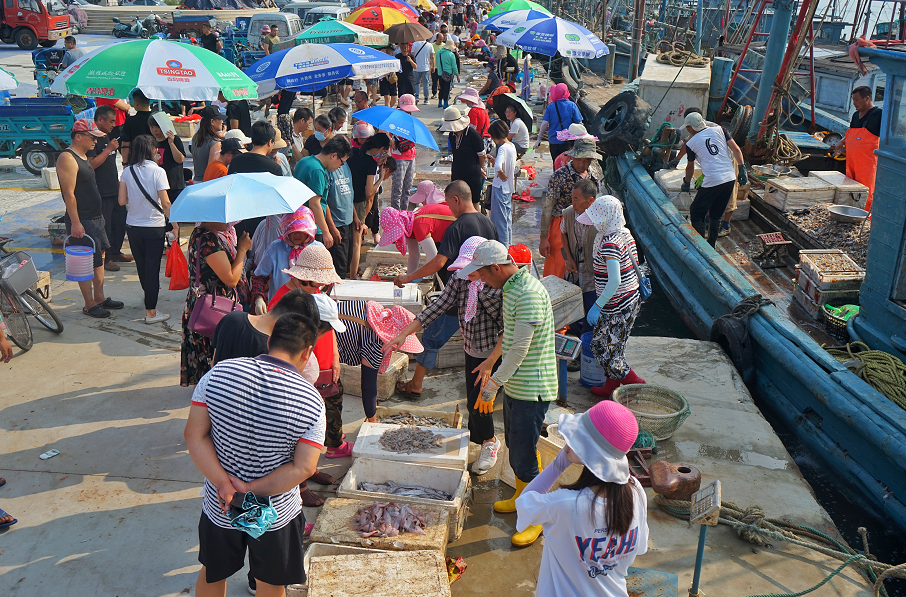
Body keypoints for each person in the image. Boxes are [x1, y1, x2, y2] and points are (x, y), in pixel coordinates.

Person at [184, 313, 324, 595]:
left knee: (212, 574)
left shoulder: (218, 374)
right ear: (307, 353)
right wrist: (250, 489)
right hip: (276, 515)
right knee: (270, 584)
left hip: (220, 505)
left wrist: (225, 484)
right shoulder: (311, 401)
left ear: (270, 340)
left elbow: (194, 435)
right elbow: (303, 468)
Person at [456, 239, 558, 546]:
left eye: (484, 275)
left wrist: (493, 384)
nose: (482, 281)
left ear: (496, 267)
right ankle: (521, 495)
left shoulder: (527, 293)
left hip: (533, 386)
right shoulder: (511, 288)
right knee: (517, 446)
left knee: (525, 453)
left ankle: (536, 519)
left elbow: (518, 350)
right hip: (518, 385)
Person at [383, 236, 504, 474]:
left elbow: (507, 329)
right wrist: (403, 334)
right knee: (473, 402)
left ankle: (490, 442)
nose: (467, 274)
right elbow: (436, 308)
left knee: (482, 403)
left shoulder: (495, 289)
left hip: (492, 354)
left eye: (472, 271)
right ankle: (481, 439)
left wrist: (491, 361)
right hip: (471, 349)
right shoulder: (460, 280)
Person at [515, 401, 649, 595]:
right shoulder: (636, 491)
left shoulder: (565, 505)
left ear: (588, 451)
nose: (567, 441)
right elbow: (640, 548)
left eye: (574, 438)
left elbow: (524, 503)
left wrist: (558, 464)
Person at [393, 181, 498, 398]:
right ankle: (488, 388)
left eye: (449, 204)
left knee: (431, 338)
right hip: (487, 294)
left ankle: (416, 385)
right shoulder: (489, 223)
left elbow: (439, 261)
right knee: (483, 344)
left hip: (460, 296)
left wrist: (409, 277)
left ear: (456, 200)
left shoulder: (457, 226)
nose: (449, 209)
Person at [579, 195, 646, 398]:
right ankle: (611, 385)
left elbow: (614, 280)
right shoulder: (624, 233)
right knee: (616, 346)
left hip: (618, 302)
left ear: (607, 218)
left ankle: (634, 383)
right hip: (629, 297)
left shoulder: (610, 243)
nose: (593, 225)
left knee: (601, 348)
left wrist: (597, 305)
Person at [56, 119, 124, 319]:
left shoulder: (83, 156)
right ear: (78, 137)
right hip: (83, 219)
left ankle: (100, 297)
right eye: (92, 137)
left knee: (100, 257)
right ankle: (88, 303)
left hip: (95, 216)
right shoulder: (67, 158)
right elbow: (69, 194)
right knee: (84, 261)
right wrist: (76, 222)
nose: (95, 141)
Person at [179, 222, 251, 387]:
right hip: (213, 309)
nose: (229, 223)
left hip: (203, 303)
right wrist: (242, 249)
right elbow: (231, 279)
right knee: (215, 357)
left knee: (209, 359)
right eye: (225, 219)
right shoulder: (208, 240)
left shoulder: (201, 233)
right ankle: (212, 396)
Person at [118, 134, 177, 324]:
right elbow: (166, 202)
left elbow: (121, 201)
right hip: (154, 227)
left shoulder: (127, 172)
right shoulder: (158, 172)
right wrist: (175, 225)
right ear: (153, 151)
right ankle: (151, 311)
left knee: (142, 267)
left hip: (133, 226)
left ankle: (148, 299)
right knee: (152, 268)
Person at [335, 300, 422, 427]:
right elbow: (368, 386)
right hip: (318, 336)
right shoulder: (376, 342)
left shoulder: (376, 313)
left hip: (314, 317)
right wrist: (372, 420)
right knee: (332, 394)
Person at [673, 107, 742, 238]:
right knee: (716, 213)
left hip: (722, 168)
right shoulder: (720, 129)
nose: (687, 130)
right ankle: (711, 244)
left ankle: (700, 245)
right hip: (729, 174)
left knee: (695, 211)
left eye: (687, 127)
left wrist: (686, 182)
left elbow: (690, 167)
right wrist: (742, 169)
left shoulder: (692, 141)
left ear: (691, 127)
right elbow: (736, 149)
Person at [541, 138, 601, 278]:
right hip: (560, 225)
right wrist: (544, 238)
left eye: (586, 160)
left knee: (585, 266)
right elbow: (548, 206)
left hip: (587, 224)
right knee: (559, 267)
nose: (582, 163)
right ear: (572, 156)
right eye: (579, 159)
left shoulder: (595, 174)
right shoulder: (559, 176)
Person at [88, 105, 130, 273]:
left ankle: (115, 251)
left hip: (114, 188)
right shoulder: (93, 140)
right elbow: (91, 165)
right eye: (111, 121)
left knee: (120, 223)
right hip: (101, 191)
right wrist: (108, 150)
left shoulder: (108, 137)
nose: (114, 124)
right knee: (105, 227)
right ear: (100, 120)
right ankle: (106, 258)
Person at [293, 135, 352, 250]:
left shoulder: (305, 161)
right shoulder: (317, 171)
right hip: (312, 227)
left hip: (299, 224)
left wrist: (331, 227)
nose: (340, 167)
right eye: (342, 163)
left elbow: (322, 202)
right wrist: (326, 232)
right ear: (333, 156)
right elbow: (315, 204)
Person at [251, 206, 319, 305]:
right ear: (286, 229)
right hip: (279, 306)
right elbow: (260, 277)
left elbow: (329, 279)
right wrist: (259, 298)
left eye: (301, 231)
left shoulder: (318, 249)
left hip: (310, 306)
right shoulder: (275, 248)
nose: (297, 234)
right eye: (292, 230)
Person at [228, 121, 285, 237]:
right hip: (262, 224)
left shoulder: (236, 161)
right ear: (270, 142)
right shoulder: (274, 168)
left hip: (238, 219)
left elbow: (230, 187)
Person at [347, 133, 390, 279]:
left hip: (346, 198)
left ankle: (349, 268)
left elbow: (358, 170)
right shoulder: (370, 163)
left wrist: (376, 165)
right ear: (382, 148)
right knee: (356, 243)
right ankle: (352, 276)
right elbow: (369, 192)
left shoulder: (354, 152)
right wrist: (381, 178)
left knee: (347, 238)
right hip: (358, 202)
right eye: (384, 151)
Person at [560, 179, 599, 337]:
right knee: (572, 316)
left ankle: (587, 349)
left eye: (576, 199)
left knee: (591, 316)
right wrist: (569, 258)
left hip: (593, 278)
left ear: (590, 201)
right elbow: (563, 232)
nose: (573, 203)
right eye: (572, 198)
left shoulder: (600, 217)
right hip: (574, 273)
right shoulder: (569, 213)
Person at [836, 85, 881, 212]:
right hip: (851, 162)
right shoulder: (855, 115)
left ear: (867, 98)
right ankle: (850, 213)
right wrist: (842, 141)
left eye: (856, 100)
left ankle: (866, 219)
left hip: (867, 165)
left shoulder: (879, 115)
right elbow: (851, 133)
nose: (854, 103)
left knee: (867, 193)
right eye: (852, 100)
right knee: (851, 191)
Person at [441, 107, 486, 209]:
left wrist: (478, 167)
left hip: (472, 174)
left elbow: (482, 156)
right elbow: (455, 154)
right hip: (457, 172)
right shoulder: (452, 135)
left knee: (473, 202)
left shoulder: (473, 135)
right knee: (457, 202)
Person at [536, 83, 583, 161]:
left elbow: (544, 124)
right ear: (566, 92)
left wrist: (539, 139)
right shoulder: (572, 105)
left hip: (554, 141)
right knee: (567, 164)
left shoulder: (550, 107)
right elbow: (579, 123)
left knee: (556, 162)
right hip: (567, 141)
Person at [325, 154, 355, 279]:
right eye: (341, 161)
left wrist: (356, 217)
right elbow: (322, 202)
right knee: (338, 266)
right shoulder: (328, 170)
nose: (342, 164)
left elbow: (349, 192)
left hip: (348, 221)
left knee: (346, 261)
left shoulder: (345, 164)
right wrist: (332, 228)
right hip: (336, 223)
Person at [388, 94, 420, 210]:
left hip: (411, 156)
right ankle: (395, 214)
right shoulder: (394, 118)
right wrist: (391, 140)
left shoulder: (411, 118)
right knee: (397, 188)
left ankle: (404, 213)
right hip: (399, 157)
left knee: (407, 188)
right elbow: (386, 131)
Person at [488, 119, 516, 246]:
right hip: (508, 188)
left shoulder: (502, 148)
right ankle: (508, 246)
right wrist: (495, 161)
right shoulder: (512, 146)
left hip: (500, 187)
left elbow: (499, 166)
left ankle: (503, 248)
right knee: (506, 220)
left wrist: (501, 173)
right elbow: (502, 163)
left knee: (499, 221)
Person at [147, 114, 186, 205]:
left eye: (157, 127)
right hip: (158, 185)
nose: (154, 130)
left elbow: (180, 159)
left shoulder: (175, 140)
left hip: (174, 184)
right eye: (152, 127)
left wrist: (171, 143)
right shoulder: (151, 142)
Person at [191, 106, 225, 183]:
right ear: (212, 122)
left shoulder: (196, 137)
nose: (222, 121)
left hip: (196, 180)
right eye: (220, 119)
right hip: (207, 183)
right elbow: (212, 170)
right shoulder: (215, 143)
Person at [120, 89, 152, 164]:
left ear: (136, 103)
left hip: (135, 158)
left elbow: (125, 144)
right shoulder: (155, 118)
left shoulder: (130, 121)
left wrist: (124, 163)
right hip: (154, 156)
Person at [411, 36, 435, 104]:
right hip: (426, 67)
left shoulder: (414, 44)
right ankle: (426, 99)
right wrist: (433, 66)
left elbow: (412, 55)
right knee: (426, 84)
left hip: (416, 68)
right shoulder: (429, 45)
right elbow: (432, 56)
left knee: (416, 83)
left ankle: (417, 96)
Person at [436, 39, 460, 109]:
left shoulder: (439, 52)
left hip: (440, 73)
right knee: (447, 88)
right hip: (448, 74)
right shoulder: (451, 54)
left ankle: (440, 102)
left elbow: (437, 62)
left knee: (441, 88)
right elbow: (454, 66)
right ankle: (445, 104)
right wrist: (457, 75)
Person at [431, 33, 447, 99]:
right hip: (434, 66)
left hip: (442, 67)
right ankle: (434, 93)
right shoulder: (432, 45)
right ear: (436, 38)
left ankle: (441, 94)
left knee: (441, 81)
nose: (441, 41)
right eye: (440, 39)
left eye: (442, 39)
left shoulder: (444, 46)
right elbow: (431, 56)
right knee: (434, 81)